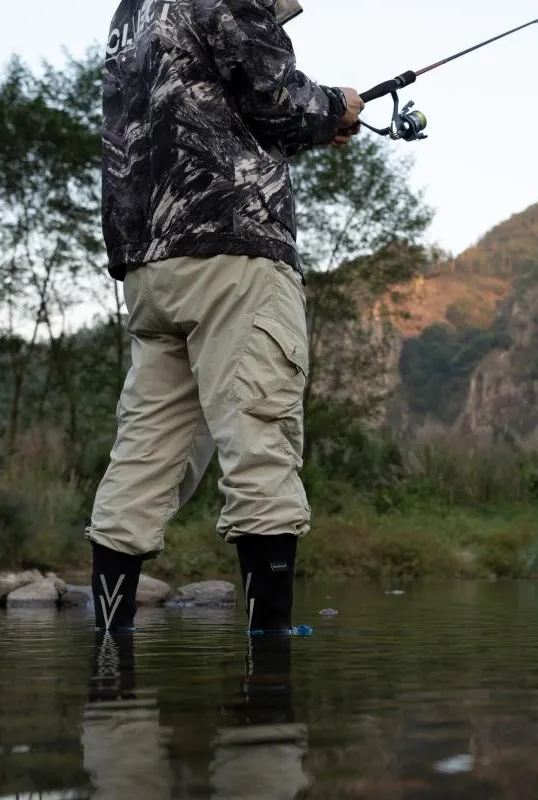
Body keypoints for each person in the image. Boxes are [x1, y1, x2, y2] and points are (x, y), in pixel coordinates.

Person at [86, 0, 364, 636]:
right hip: (232, 250)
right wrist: (335, 106)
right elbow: (274, 94)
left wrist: (313, 124)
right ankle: (268, 673)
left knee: (144, 454)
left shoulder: (131, 12)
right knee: (260, 437)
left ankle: (107, 652)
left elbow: (200, 101)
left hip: (148, 263)